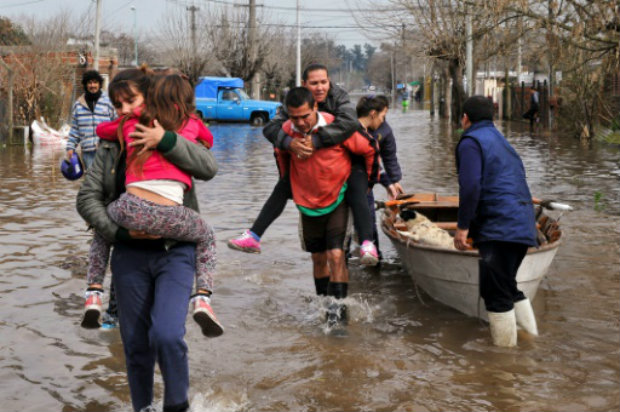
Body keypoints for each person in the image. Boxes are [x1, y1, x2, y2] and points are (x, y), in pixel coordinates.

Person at [76, 67, 218, 412]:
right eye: (118, 104)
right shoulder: (111, 145)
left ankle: (176, 406)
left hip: (175, 252)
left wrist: (165, 141)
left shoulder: (174, 130)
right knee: (136, 344)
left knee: (167, 335)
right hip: (129, 255)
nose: (124, 110)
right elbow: (87, 199)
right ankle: (143, 408)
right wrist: (120, 232)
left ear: (150, 98)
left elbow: (208, 166)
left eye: (131, 101)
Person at [228, 63, 380, 265]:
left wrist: (316, 141)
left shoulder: (339, 98)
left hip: (346, 162)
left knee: (358, 194)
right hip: (311, 169)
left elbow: (349, 124)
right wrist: (290, 143)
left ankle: (368, 245)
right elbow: (272, 129)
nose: (320, 88)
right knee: (284, 186)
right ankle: (254, 236)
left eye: (324, 82)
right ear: (304, 84)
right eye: (314, 83)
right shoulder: (294, 102)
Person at [275, 87, 377, 326]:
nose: (300, 122)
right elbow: (280, 156)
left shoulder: (337, 128)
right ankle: (324, 305)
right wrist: (289, 185)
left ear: (315, 108)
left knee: (336, 254)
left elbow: (370, 149)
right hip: (309, 202)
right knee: (318, 258)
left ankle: (339, 314)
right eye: (294, 118)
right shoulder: (286, 133)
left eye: (305, 116)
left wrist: (368, 184)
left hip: (338, 198)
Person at [454, 95, 539, 347]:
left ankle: (504, 367)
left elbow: (470, 187)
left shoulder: (470, 141)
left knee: (495, 294)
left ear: (465, 119)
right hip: (522, 224)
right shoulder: (502, 142)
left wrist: (462, 227)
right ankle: (532, 343)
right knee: (508, 287)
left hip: (499, 227)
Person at [357, 95, 404, 260]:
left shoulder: (384, 131)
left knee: (368, 219)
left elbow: (389, 158)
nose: (384, 120)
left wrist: (394, 181)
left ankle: (374, 259)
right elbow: (371, 162)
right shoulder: (355, 131)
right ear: (373, 114)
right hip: (353, 182)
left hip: (366, 183)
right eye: (383, 115)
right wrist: (387, 183)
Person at [66, 70, 117, 169]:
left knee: (108, 181)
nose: (92, 85)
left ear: (99, 84)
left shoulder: (108, 101)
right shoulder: (78, 105)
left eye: (95, 82)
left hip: (107, 150)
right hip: (88, 152)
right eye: (89, 82)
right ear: (85, 85)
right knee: (91, 181)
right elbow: (75, 129)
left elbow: (116, 123)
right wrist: (70, 147)